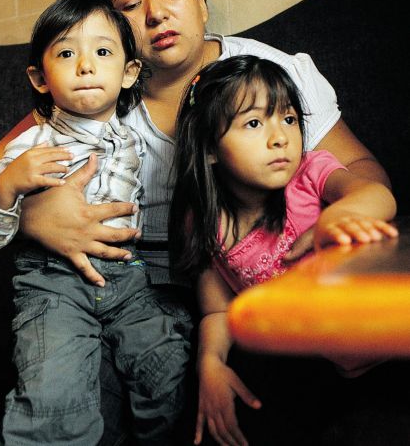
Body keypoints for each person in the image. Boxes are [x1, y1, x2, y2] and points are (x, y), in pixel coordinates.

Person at [0, 0, 395, 446]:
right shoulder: (98, 89)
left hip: (248, 275)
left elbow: (362, 173)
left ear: (202, 2)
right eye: (130, 4)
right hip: (122, 279)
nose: (156, 13)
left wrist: (339, 229)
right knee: (74, 412)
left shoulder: (265, 76)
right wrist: (35, 218)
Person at [0, 0, 192, 446]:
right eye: (67, 53)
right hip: (53, 285)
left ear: (129, 73)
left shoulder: (138, 136)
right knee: (56, 403)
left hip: (129, 281)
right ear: (40, 77)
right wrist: (7, 186)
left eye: (102, 52)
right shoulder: (31, 145)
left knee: (169, 375)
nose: (86, 66)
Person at [168, 55, 398, 446]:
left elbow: (377, 196)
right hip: (308, 365)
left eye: (288, 119)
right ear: (209, 149)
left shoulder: (311, 174)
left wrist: (338, 216)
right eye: (254, 123)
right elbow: (219, 308)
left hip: (385, 340)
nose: (280, 137)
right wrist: (210, 364)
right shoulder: (206, 221)